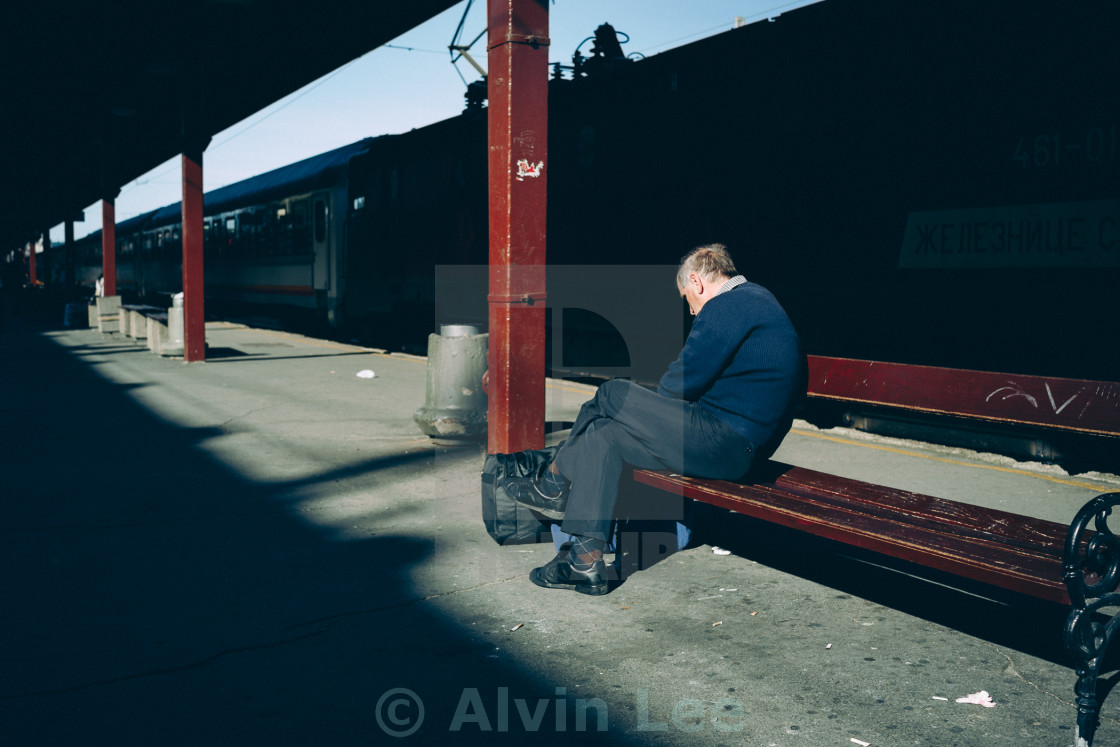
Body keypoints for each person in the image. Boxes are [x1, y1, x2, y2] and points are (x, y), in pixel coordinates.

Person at [506, 243, 806, 595]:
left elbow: (680, 382)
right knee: (605, 435)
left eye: (686, 299)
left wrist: (647, 416)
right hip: (735, 442)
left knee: (612, 394)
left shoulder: (728, 306)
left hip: (725, 440)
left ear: (696, 281)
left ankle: (555, 479)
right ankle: (584, 561)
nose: (692, 312)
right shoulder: (758, 301)